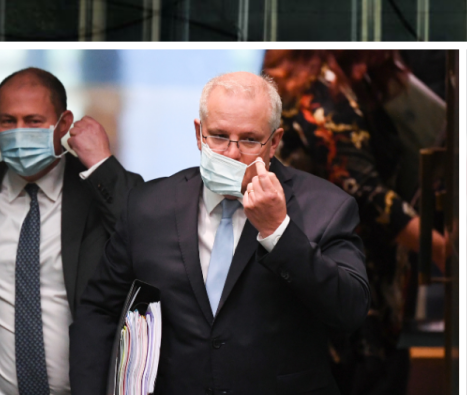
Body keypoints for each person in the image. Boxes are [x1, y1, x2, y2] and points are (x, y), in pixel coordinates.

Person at [69, 71, 369, 395]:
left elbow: (349, 311)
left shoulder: (325, 207)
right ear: (199, 134)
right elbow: (99, 309)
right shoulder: (148, 207)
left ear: (274, 143)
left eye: (250, 140)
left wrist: (278, 231)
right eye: (219, 136)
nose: (231, 153)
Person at [0, 67, 143, 395]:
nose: (18, 132)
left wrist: (102, 165)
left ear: (63, 124)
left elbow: (145, 243)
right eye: (8, 121)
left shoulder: (96, 191)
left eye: (33, 121)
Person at [265, 50, 448, 395]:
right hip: (331, 289)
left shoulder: (353, 81)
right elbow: (364, 191)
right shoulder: (321, 91)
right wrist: (441, 249)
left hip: (357, 283)